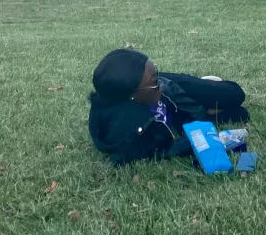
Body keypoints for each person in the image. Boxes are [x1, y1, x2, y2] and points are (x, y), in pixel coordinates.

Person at [89, 49, 248, 166]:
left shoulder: (156, 86)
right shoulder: (132, 129)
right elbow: (166, 149)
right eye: (154, 81)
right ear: (132, 96)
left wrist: (200, 111)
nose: (160, 85)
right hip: (178, 115)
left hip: (176, 91)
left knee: (235, 94)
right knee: (241, 114)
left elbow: (169, 91)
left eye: (156, 75)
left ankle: (204, 89)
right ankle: (206, 102)